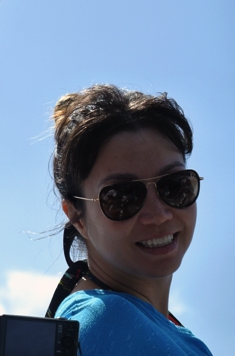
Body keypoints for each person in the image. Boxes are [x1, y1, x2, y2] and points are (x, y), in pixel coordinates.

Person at [45, 84, 211, 355]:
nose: (159, 214)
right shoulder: (108, 322)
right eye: (122, 197)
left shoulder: (143, 327)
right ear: (77, 216)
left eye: (174, 185)